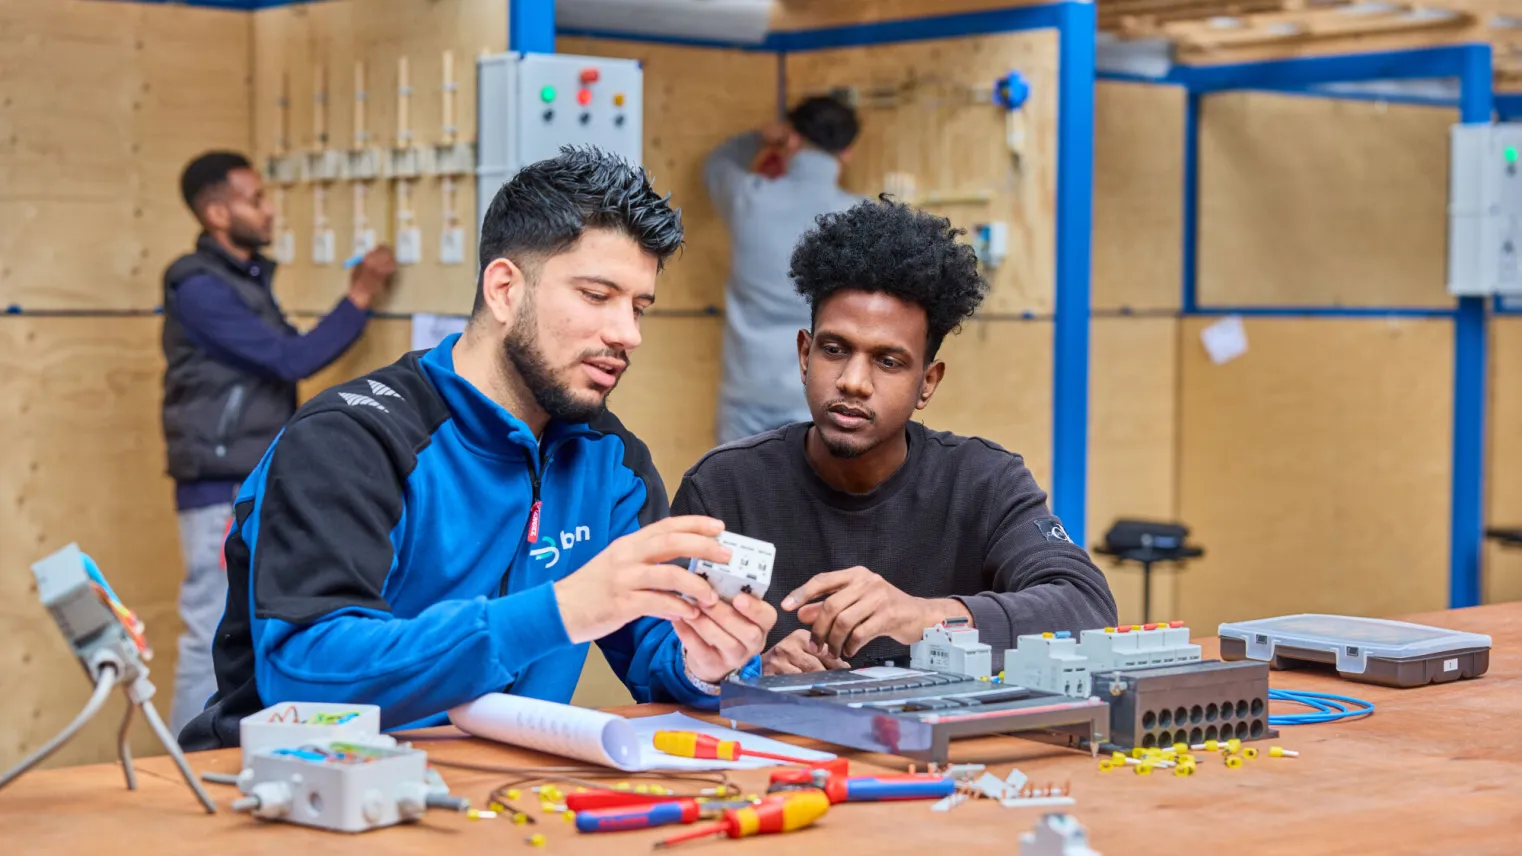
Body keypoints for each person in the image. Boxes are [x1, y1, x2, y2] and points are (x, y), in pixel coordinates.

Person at [178, 146, 776, 750]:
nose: (628, 334)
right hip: (293, 799)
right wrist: (564, 609)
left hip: (492, 805)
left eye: (638, 306)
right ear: (504, 289)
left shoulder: (611, 463)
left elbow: (657, 659)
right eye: (597, 296)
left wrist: (707, 660)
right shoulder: (349, 439)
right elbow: (306, 673)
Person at [670, 197, 1118, 675]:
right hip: (780, 747)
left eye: (888, 361)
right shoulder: (724, 488)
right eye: (835, 349)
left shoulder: (984, 482)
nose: (854, 381)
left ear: (927, 382)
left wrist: (927, 616)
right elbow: (660, 659)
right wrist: (749, 673)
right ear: (805, 355)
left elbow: (1086, 607)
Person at [162, 151, 396, 735]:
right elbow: (291, 357)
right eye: (255, 199)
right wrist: (360, 295)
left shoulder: (244, 280)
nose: (269, 211)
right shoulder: (199, 287)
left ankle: (230, 751)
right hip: (220, 485)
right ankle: (185, 760)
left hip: (245, 479)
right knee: (206, 628)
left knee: (247, 624)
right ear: (217, 212)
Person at [705, 95, 863, 446]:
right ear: (847, 152)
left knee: (731, 496)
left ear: (791, 139)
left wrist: (760, 139)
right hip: (819, 389)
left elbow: (717, 164)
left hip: (747, 389)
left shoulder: (749, 197)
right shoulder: (860, 217)